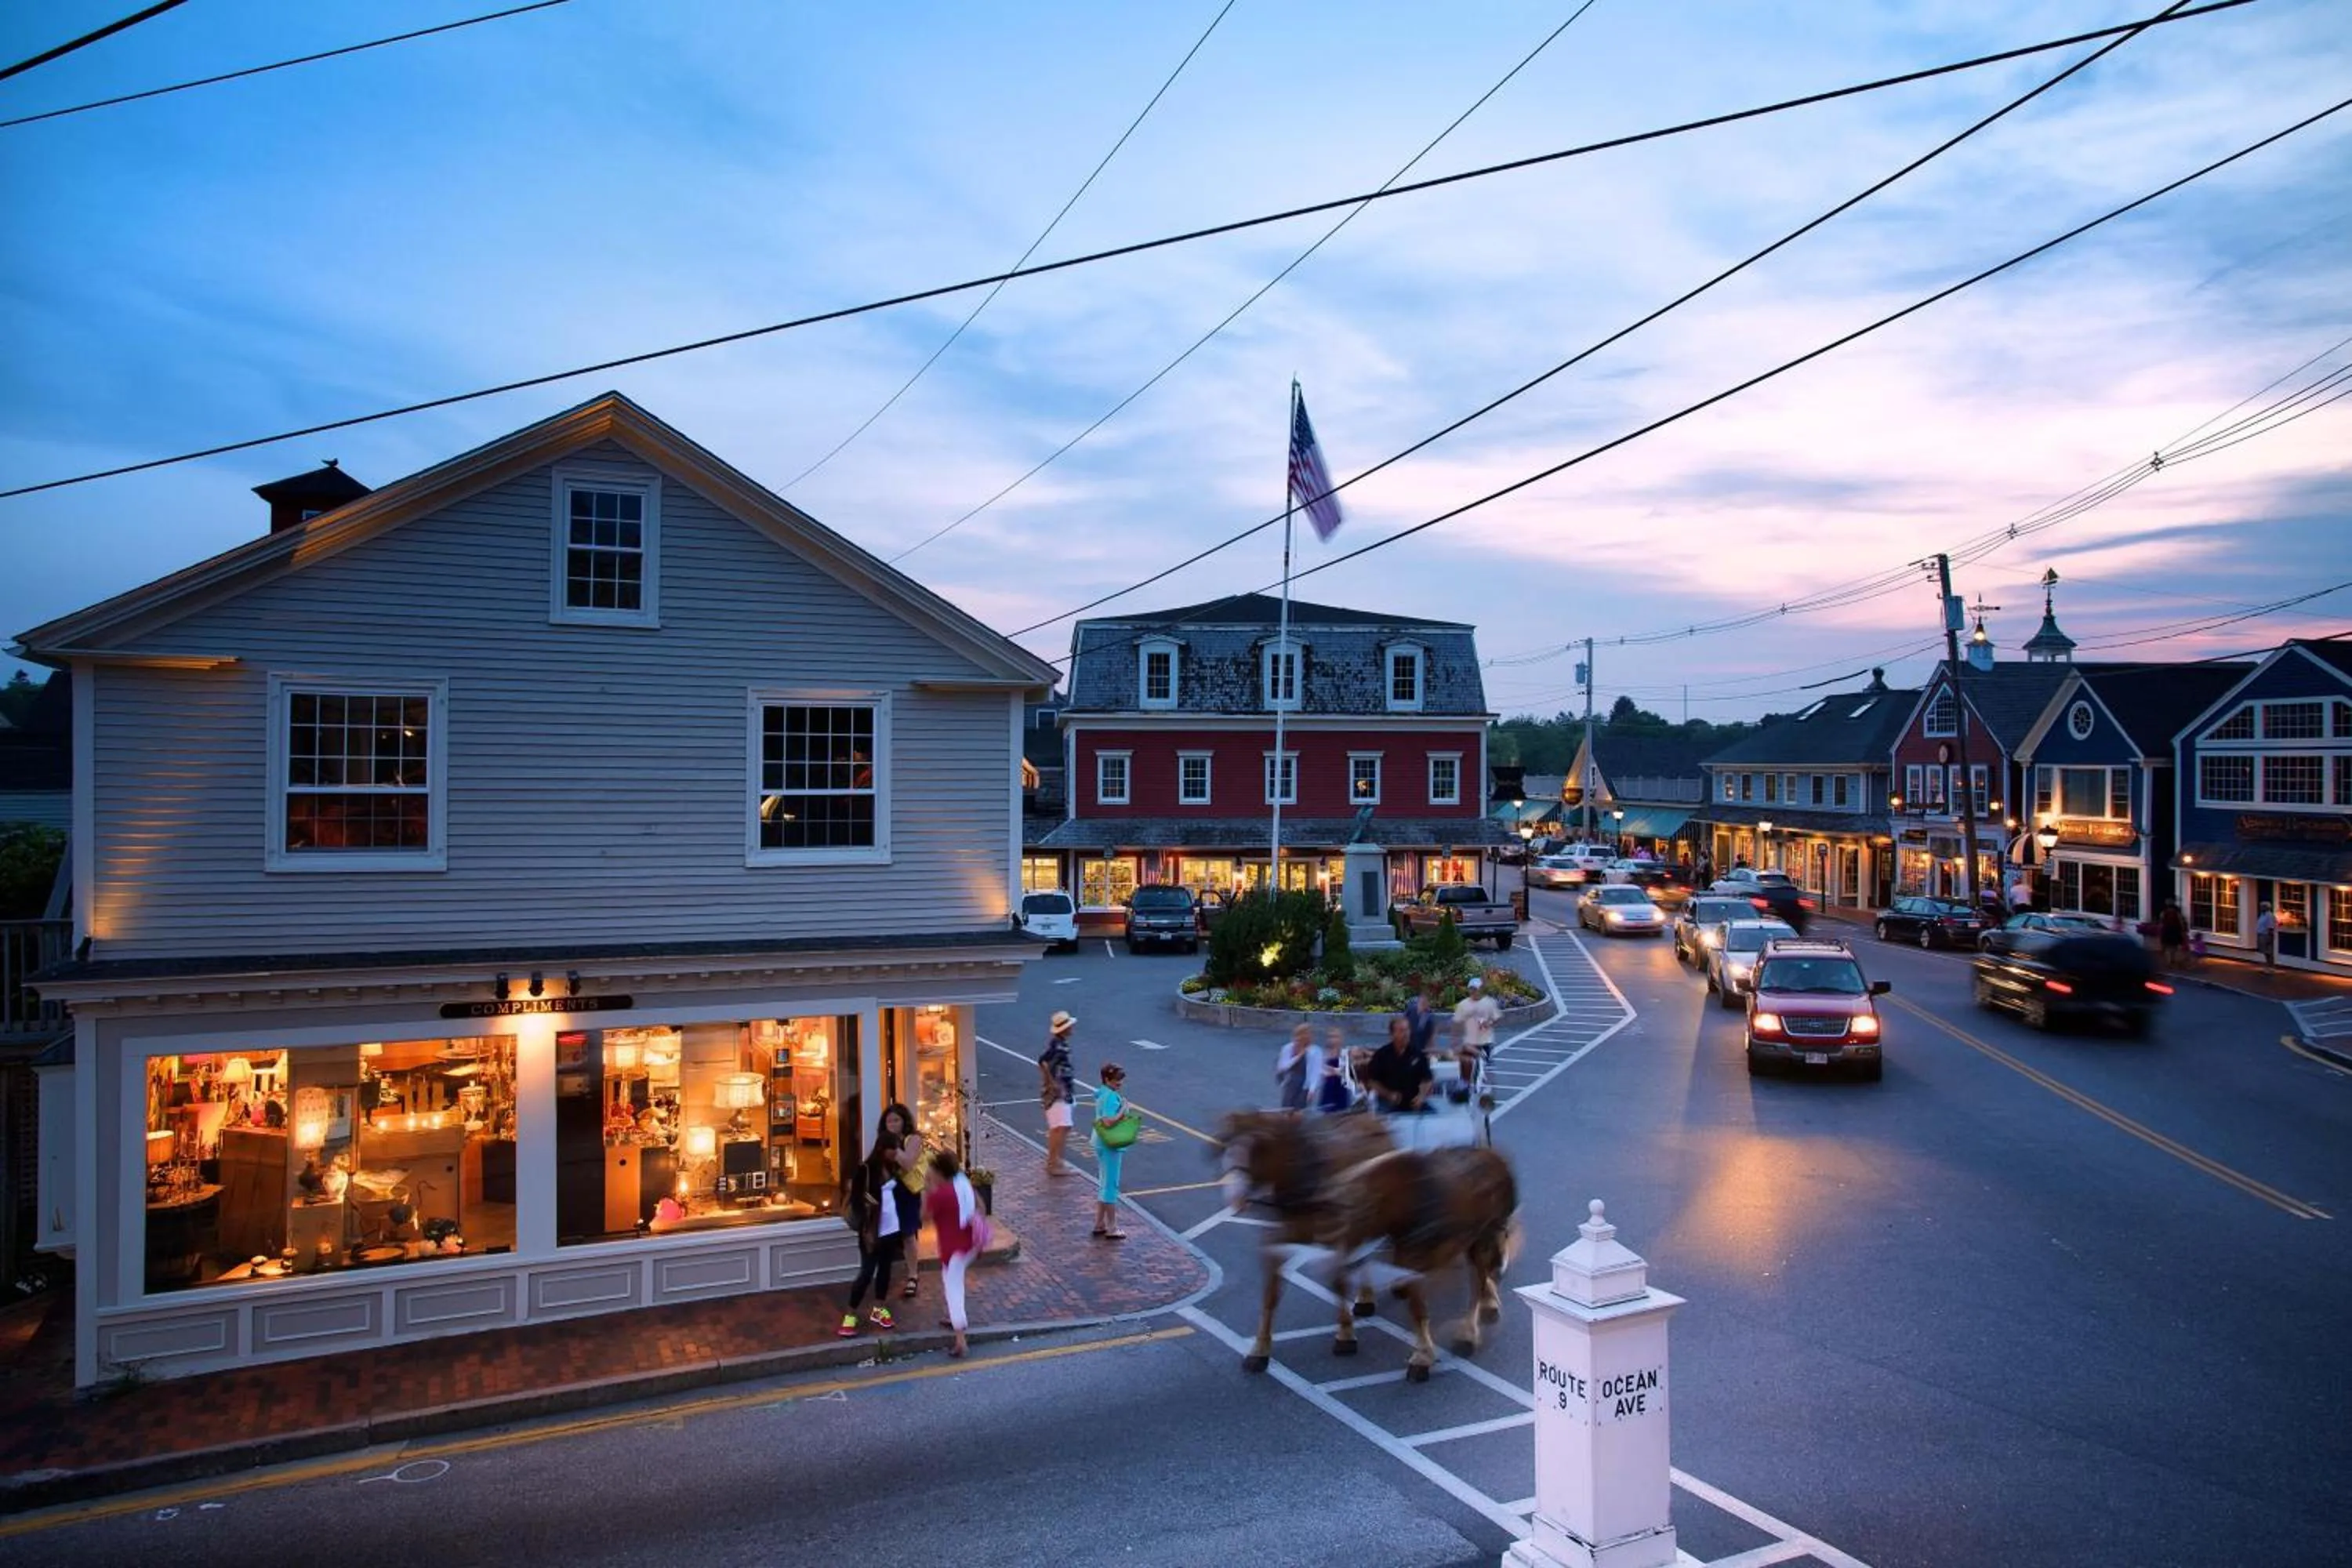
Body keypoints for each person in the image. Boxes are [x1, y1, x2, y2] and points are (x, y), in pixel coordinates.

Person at [838, 1133, 905, 1337]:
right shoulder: (865, 1170)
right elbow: (857, 1202)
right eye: (894, 1149)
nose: (897, 1153)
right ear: (882, 1149)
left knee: (885, 1271)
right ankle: (850, 1314)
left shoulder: (894, 1168)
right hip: (872, 1230)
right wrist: (864, 1229)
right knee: (866, 1273)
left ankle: (879, 1307)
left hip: (891, 1228)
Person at [922, 1148, 985, 1358]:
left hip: (954, 1248)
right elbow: (981, 1206)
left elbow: (923, 1217)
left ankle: (960, 1339)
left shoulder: (939, 1194)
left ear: (940, 1173)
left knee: (953, 1288)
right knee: (951, 1279)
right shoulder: (962, 1183)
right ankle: (954, 1316)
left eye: (932, 1172)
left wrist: (927, 1190)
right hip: (970, 1243)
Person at [877, 1103, 925, 1300]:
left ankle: (913, 1276)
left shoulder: (912, 1139)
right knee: (887, 1235)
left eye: (896, 1120)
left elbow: (907, 1163)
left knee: (908, 1233)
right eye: (889, 1121)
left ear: (904, 1121)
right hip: (888, 1191)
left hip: (907, 1191)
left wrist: (894, 1147)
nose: (893, 1124)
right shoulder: (883, 1141)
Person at [1091, 1063, 1134, 1240]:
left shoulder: (1102, 1093)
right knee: (1111, 1185)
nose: (1120, 1083)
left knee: (1104, 1182)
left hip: (1099, 1141)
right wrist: (1123, 1109)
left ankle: (1099, 1223)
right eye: (1116, 1080)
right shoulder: (1110, 1097)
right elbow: (1109, 1121)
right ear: (1107, 1079)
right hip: (1110, 1143)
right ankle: (1112, 1227)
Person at [1363, 1015, 1433, 1115]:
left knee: (1434, 1118)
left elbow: (1427, 1079)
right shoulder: (1381, 1055)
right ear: (1392, 1034)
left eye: (1407, 1030)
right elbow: (1372, 1082)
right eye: (1401, 1031)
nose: (1406, 1034)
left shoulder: (1418, 1054)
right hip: (1389, 1103)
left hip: (1414, 1102)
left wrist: (1421, 1096)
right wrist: (1389, 1095)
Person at [1038, 1011, 1079, 1178]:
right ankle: (1053, 1163)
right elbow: (1043, 1062)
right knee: (1059, 1128)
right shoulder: (1058, 1046)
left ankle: (1057, 1160)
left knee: (1064, 1127)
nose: (1072, 1028)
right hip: (1059, 1093)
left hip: (1065, 1091)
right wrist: (1052, 1083)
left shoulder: (1060, 1044)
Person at [1452, 977, 1501, 1093]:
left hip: (1486, 1041)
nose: (1473, 991)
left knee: (1485, 1064)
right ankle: (1465, 1083)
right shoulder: (1463, 1005)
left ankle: (1484, 1084)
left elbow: (1496, 1018)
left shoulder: (1489, 1003)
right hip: (1470, 1041)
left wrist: (1488, 1024)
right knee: (1465, 1062)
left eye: (1475, 989)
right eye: (1471, 989)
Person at [1275, 1023, 1318, 1112]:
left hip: (1305, 1084)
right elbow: (1283, 1067)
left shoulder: (1315, 1051)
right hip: (1291, 1082)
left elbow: (1315, 1072)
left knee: (1300, 1111)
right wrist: (1298, 1056)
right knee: (1286, 1108)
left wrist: (1312, 1090)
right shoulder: (1288, 1048)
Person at [1316, 1026, 1354, 1112]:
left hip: (1341, 1087)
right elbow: (1320, 1070)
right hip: (1328, 1086)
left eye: (1336, 1037)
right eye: (1331, 1037)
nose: (1333, 1039)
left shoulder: (1345, 1053)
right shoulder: (1324, 1053)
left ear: (1341, 1039)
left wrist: (1335, 1071)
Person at [2158, 900, 2187, 969]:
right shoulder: (2177, 912)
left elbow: (2161, 921)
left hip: (2166, 930)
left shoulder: (2164, 912)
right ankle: (2172, 961)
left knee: (2164, 946)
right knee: (2173, 947)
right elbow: (2181, 922)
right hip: (2174, 930)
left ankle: (2163, 961)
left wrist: (2160, 929)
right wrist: (2183, 930)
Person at [2256, 902, 2278, 971]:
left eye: (2262, 907)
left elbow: (2270, 927)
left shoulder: (2269, 916)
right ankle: (2268, 966)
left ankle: (2271, 967)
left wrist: (2270, 937)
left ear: (2266, 908)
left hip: (2266, 935)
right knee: (2265, 952)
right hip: (2261, 934)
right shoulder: (2263, 915)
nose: (2260, 908)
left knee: (2269, 952)